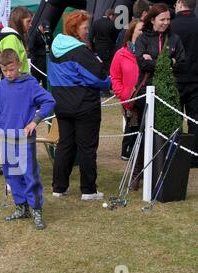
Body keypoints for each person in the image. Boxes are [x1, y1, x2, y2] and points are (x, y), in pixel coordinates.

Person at [48, 10, 111, 201]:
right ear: (76, 29)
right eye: (85, 27)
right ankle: (88, 190)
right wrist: (104, 74)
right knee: (87, 147)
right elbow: (100, 78)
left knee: (65, 145)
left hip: (62, 103)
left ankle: (59, 187)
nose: (87, 31)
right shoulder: (80, 51)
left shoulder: (54, 48)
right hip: (84, 105)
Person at [0, 49, 56, 230]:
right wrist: (2, 125)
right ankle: (21, 207)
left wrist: (35, 121)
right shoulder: (1, 86)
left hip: (24, 139)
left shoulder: (30, 85)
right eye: (5, 71)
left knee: (30, 175)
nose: (8, 74)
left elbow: (49, 101)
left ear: (19, 65)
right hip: (7, 138)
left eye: (12, 69)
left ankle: (36, 209)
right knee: (12, 174)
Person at [131, 3, 185, 189]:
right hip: (146, 90)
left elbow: (182, 62)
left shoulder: (175, 38)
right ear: (152, 19)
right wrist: (167, 61)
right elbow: (142, 63)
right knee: (144, 132)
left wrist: (155, 60)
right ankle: (137, 174)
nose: (166, 22)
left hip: (168, 92)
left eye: (168, 19)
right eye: (162, 19)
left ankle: (165, 173)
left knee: (168, 133)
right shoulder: (143, 38)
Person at [110, 19, 144, 160]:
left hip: (146, 96)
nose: (143, 33)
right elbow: (115, 77)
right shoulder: (121, 54)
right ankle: (128, 150)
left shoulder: (149, 52)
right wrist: (123, 94)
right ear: (132, 32)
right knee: (132, 125)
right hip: (129, 98)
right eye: (140, 29)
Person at [171, 0, 198, 167]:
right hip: (196, 78)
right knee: (195, 120)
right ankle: (194, 156)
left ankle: (176, 154)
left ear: (180, 3)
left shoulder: (170, 26)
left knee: (174, 118)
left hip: (176, 78)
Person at [0, 6, 33, 99]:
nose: (30, 25)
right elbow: (10, 66)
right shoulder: (11, 39)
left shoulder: (15, 38)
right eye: (28, 21)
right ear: (19, 21)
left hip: (19, 83)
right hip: (16, 85)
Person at [89, 9, 119, 77]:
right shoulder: (112, 24)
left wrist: (93, 48)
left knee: (97, 67)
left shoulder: (95, 23)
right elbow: (115, 39)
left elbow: (90, 37)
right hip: (108, 51)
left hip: (97, 50)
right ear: (111, 15)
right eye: (114, 17)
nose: (114, 19)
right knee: (107, 69)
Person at [28, 21, 50, 89]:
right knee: (36, 79)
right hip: (37, 60)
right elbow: (31, 47)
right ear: (40, 26)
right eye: (44, 29)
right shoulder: (35, 34)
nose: (45, 31)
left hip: (45, 60)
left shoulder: (47, 33)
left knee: (45, 79)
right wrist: (36, 55)